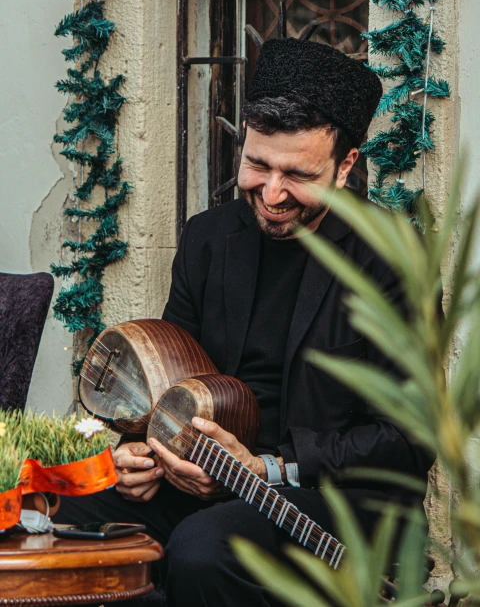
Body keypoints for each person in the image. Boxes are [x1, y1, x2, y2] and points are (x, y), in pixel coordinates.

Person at [54, 38, 434, 607]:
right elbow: (166, 388)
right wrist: (144, 454)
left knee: (202, 550)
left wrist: (268, 468)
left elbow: (410, 439)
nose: (272, 193)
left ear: (346, 165)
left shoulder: (391, 257)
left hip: (337, 500)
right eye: (257, 165)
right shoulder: (209, 237)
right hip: (204, 478)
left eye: (297, 174)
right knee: (41, 507)